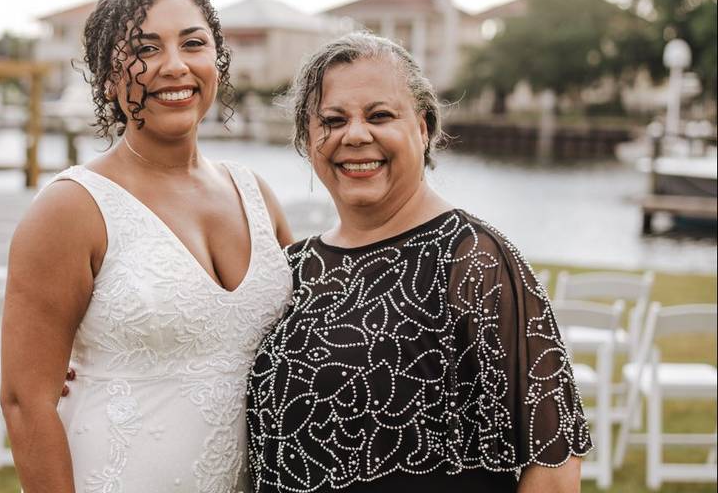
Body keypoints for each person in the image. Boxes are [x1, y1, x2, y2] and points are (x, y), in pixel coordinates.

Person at [247, 32, 592, 493]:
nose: (355, 135)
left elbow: (552, 466)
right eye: (332, 119)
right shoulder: (292, 267)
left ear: (424, 128)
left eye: (380, 115)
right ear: (307, 140)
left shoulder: (474, 261)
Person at [1, 0, 294, 493]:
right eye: (145, 48)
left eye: (193, 43)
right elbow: (25, 403)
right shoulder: (71, 209)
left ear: (217, 62)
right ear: (109, 76)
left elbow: (312, 337)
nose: (174, 65)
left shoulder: (257, 195)